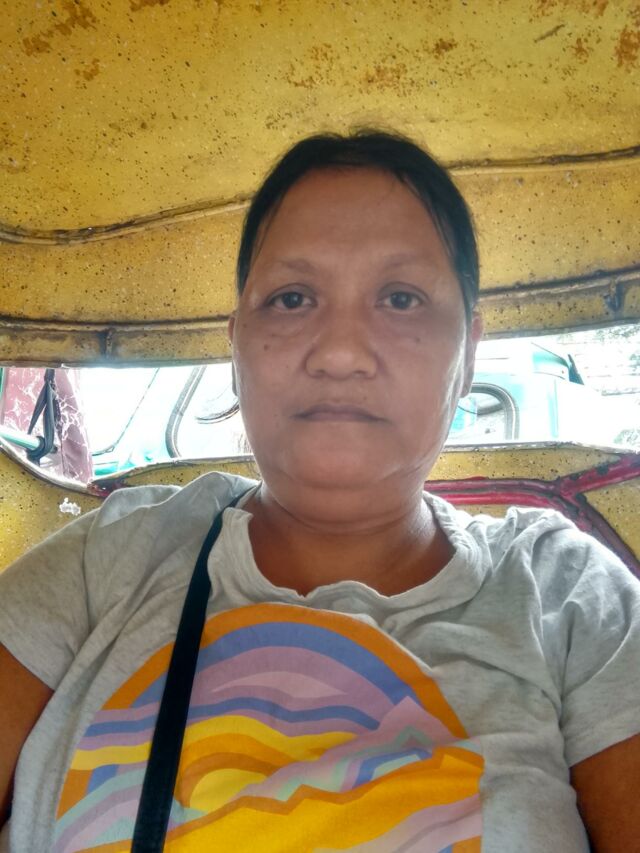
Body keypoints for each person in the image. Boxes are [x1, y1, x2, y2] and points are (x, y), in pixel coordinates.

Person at [1, 131, 639, 853]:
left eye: (401, 298)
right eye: (292, 298)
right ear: (236, 345)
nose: (339, 353)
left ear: (469, 352)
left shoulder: (571, 601)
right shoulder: (108, 559)